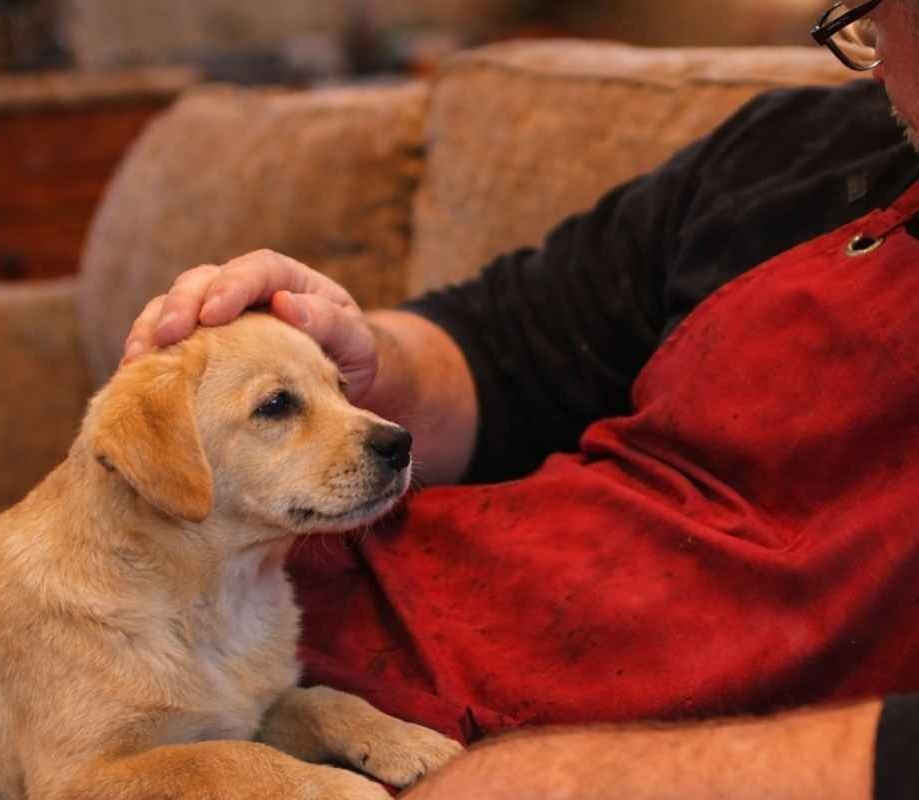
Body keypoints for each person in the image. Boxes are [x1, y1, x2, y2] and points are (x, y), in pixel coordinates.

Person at [123, 1, 919, 797]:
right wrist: (350, 359)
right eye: (859, 24)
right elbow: (502, 350)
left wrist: (565, 782)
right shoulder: (786, 151)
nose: (874, 59)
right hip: (347, 630)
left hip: (600, 737)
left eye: (885, 17)